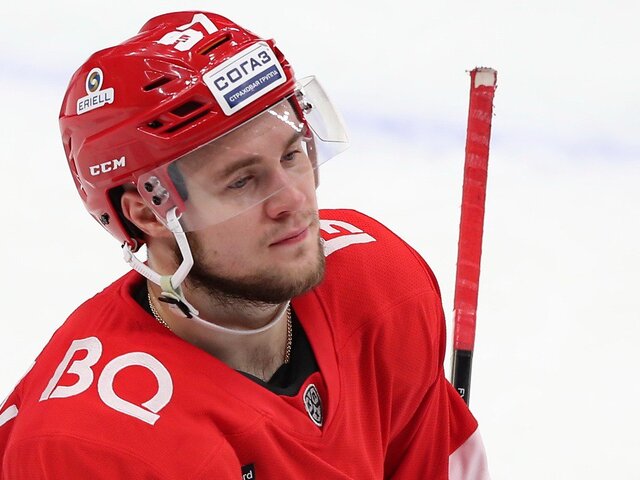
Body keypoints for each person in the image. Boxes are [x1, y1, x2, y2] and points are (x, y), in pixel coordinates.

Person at [0, 10, 490, 479]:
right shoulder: (103, 445)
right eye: (241, 182)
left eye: (292, 154)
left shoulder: (380, 285)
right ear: (149, 214)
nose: (294, 200)